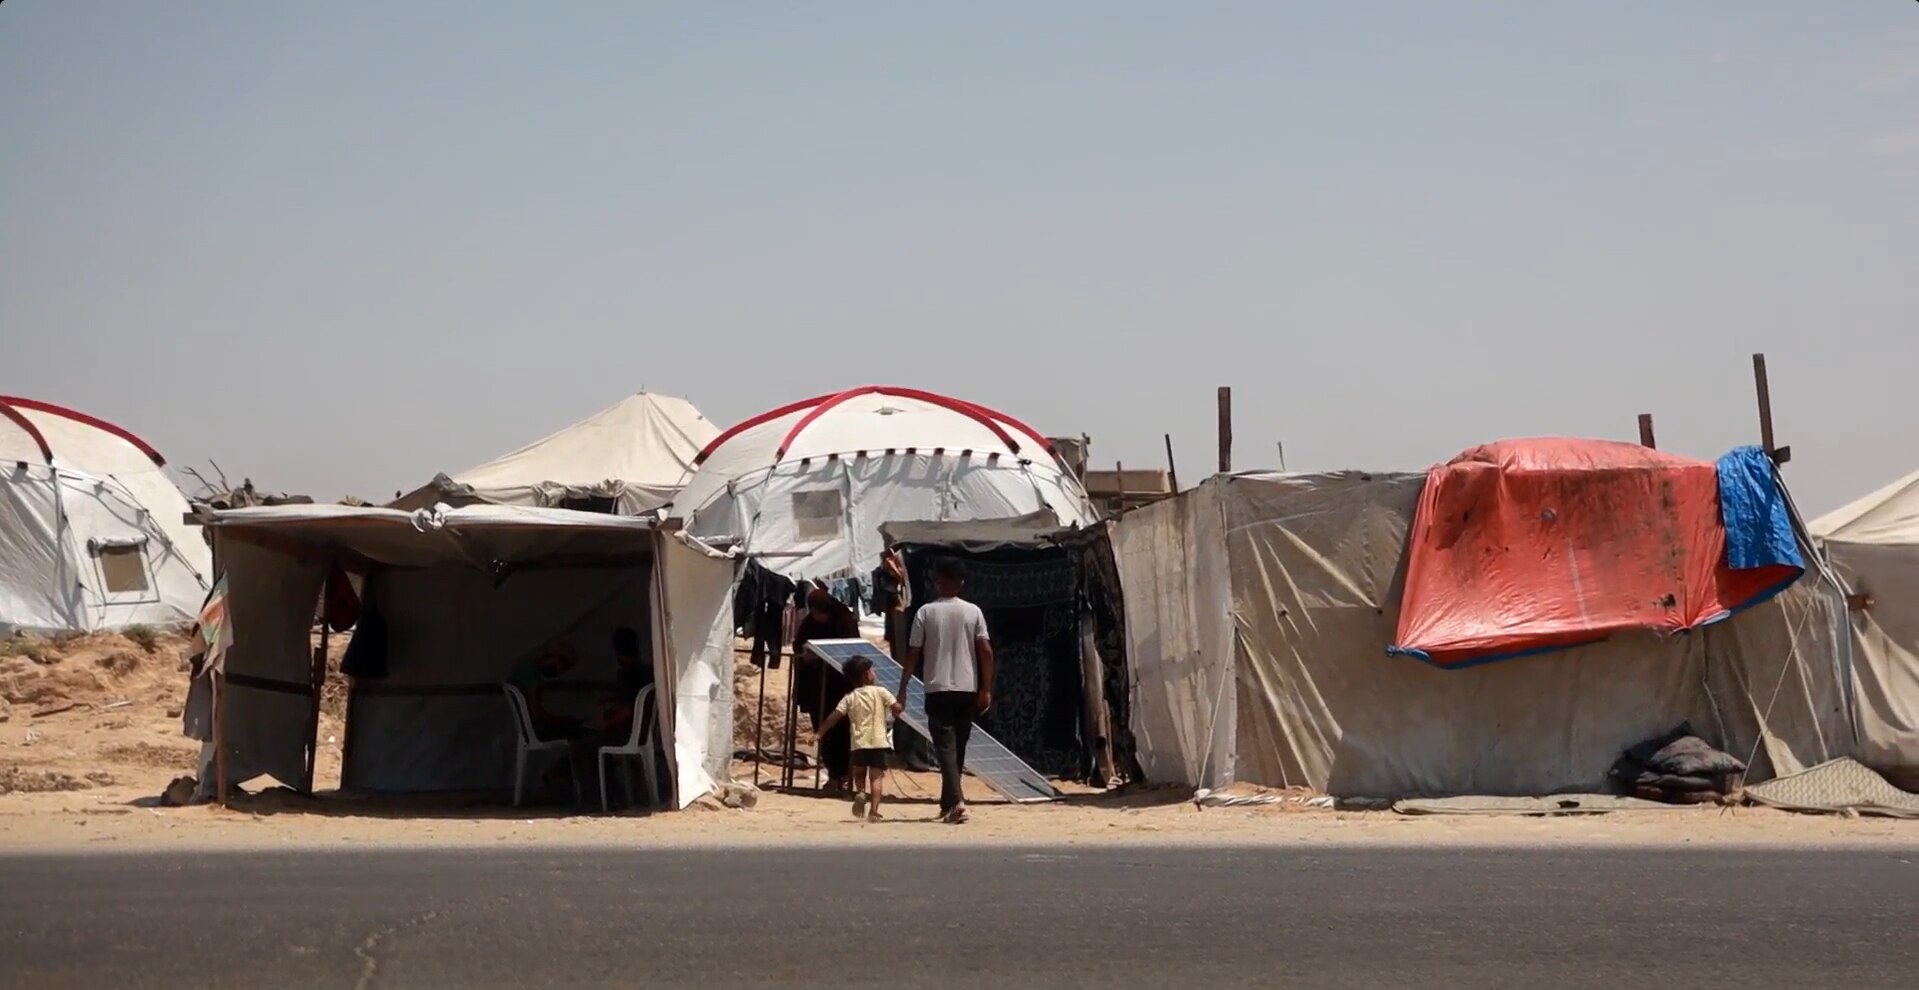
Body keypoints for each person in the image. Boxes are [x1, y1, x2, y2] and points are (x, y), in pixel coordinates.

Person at [899, 558, 993, 824]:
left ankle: (957, 803)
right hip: (967, 688)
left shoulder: (925, 613)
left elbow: (913, 652)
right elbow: (985, 651)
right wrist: (986, 687)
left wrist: (903, 686)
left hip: (938, 688)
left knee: (945, 749)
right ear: (961, 583)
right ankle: (948, 802)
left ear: (938, 581)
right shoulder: (973, 612)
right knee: (957, 748)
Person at [811, 656, 897, 822]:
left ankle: (860, 792)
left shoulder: (850, 697)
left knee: (859, 772)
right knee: (876, 778)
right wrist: (898, 706)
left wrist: (819, 733)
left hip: (858, 743)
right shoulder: (881, 692)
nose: (875, 673)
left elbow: (834, 716)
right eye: (872, 670)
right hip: (878, 743)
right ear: (867, 675)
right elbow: (897, 708)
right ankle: (874, 811)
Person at [792, 585, 860, 791]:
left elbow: (851, 650)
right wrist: (808, 654)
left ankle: (846, 775)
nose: (817, 616)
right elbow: (798, 645)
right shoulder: (809, 623)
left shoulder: (844, 620)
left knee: (843, 732)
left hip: (840, 687)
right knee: (823, 731)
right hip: (817, 690)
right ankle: (833, 774)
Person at [505, 643, 583, 742]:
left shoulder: (525, 667)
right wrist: (562, 720)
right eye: (564, 667)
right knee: (582, 733)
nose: (560, 673)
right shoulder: (532, 675)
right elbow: (536, 714)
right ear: (556, 658)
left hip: (520, 728)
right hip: (531, 730)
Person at [598, 627, 652, 744]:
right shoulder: (649, 671)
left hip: (633, 734)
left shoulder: (626, 675)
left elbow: (630, 710)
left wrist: (606, 724)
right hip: (649, 732)